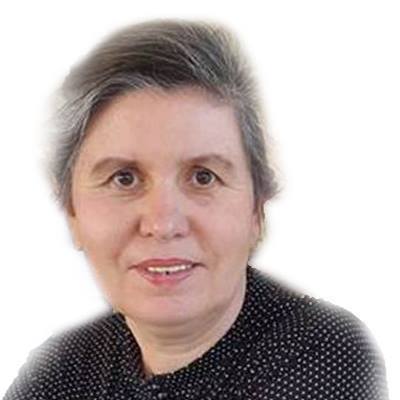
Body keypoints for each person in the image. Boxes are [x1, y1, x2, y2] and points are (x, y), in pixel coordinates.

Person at [4, 19, 389, 399]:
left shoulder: (325, 352)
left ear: (257, 209)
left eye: (203, 177)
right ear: (71, 211)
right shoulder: (60, 369)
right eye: (124, 178)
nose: (162, 223)